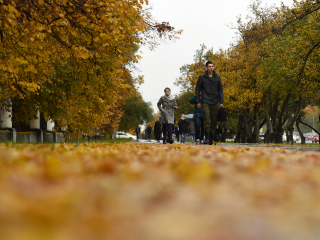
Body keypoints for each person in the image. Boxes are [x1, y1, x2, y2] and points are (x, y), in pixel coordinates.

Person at [195, 61, 224, 145]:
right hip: (205, 100)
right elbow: (197, 89)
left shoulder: (217, 77)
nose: (211, 68)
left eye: (212, 66)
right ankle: (207, 138)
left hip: (215, 101)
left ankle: (211, 138)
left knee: (214, 121)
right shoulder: (202, 77)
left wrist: (221, 102)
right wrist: (197, 101)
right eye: (209, 66)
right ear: (206, 68)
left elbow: (220, 90)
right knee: (207, 119)